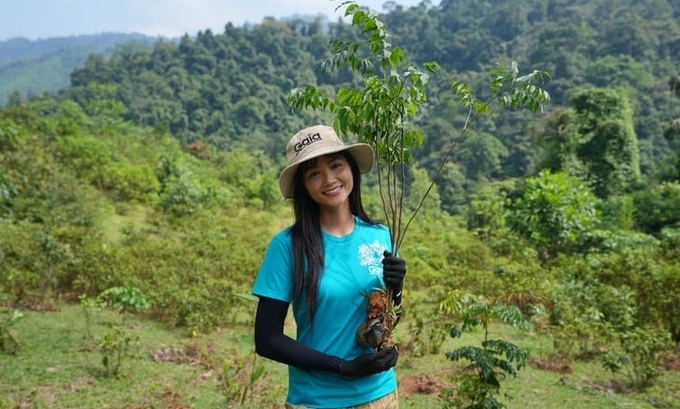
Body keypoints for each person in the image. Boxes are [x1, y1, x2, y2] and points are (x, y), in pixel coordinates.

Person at [252, 124, 407, 409]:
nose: (329, 179)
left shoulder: (379, 235)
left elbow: (388, 317)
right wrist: (343, 368)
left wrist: (397, 289)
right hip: (318, 400)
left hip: (381, 395)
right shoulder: (287, 246)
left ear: (351, 169)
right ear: (303, 187)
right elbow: (267, 339)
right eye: (314, 173)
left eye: (336, 165)